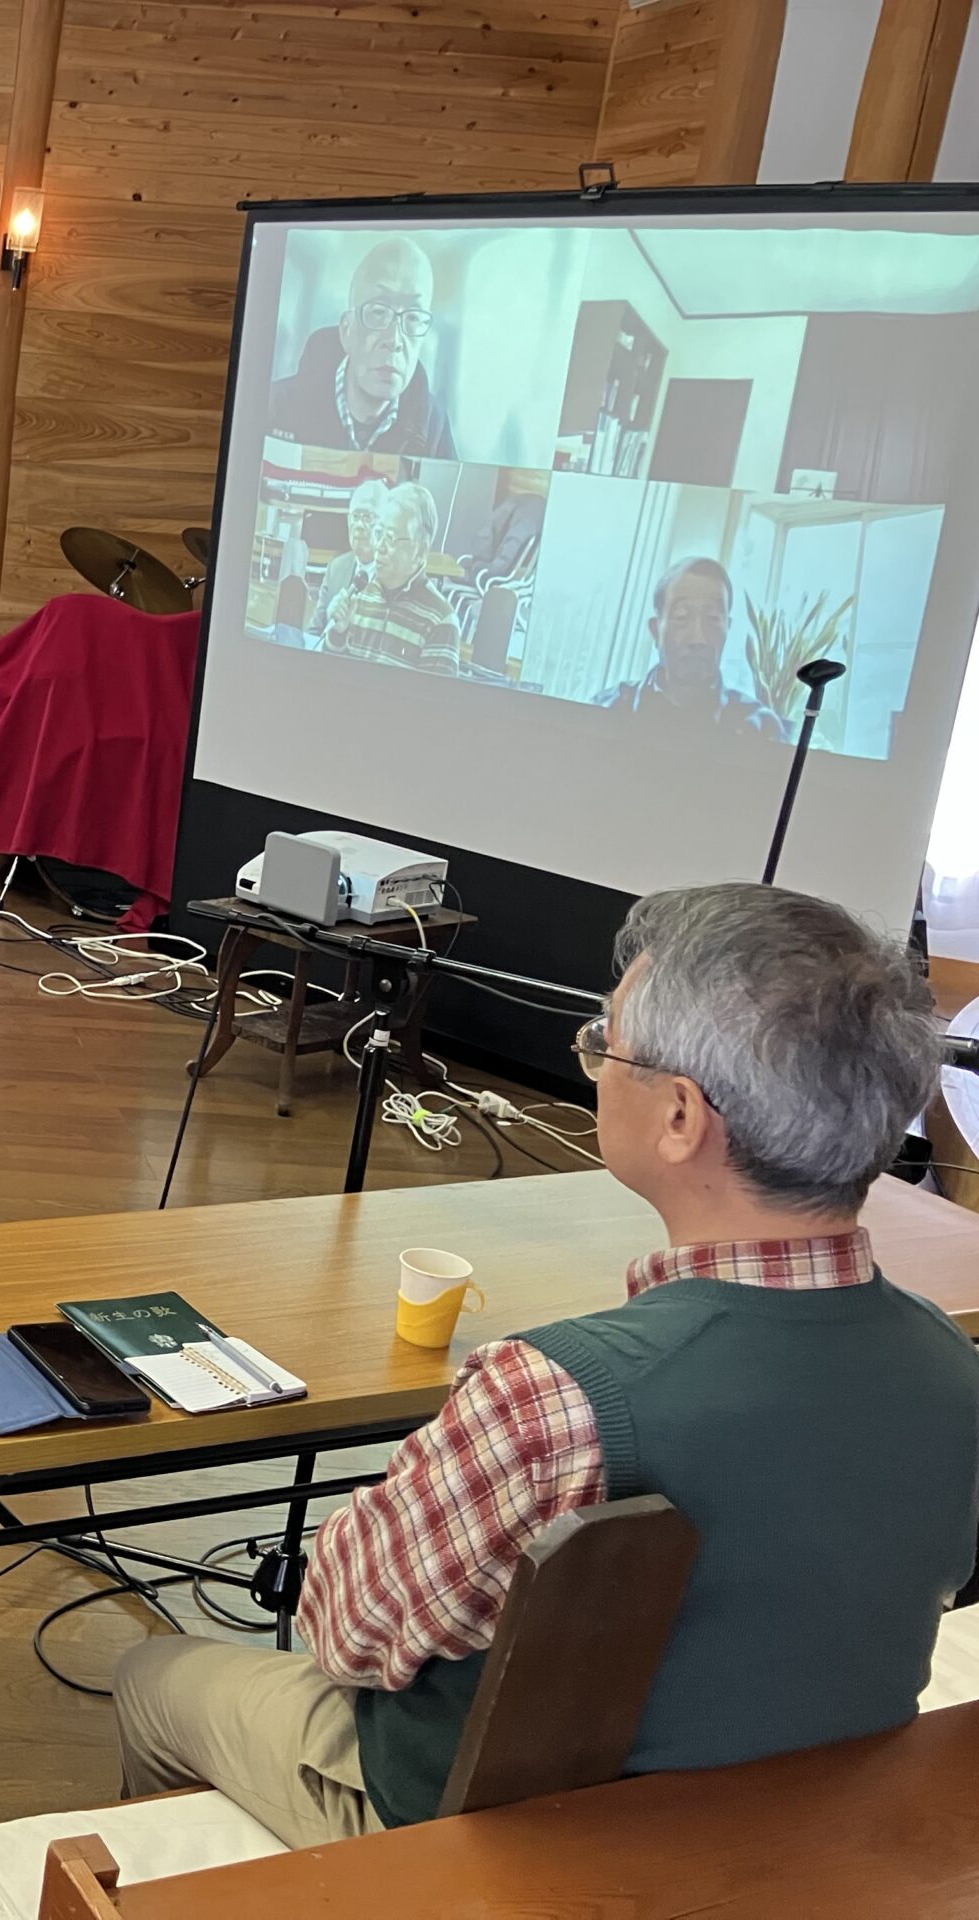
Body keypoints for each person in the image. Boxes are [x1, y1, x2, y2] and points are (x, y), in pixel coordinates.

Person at [113, 882, 978, 1848]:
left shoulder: (553, 1396)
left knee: (155, 1681)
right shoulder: (953, 1366)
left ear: (682, 1117)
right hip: (814, 1824)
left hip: (528, 1844)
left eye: (605, 1045)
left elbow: (346, 1632)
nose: (595, 1064)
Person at [268, 239, 457, 459]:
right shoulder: (277, 407)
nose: (395, 339)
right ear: (347, 330)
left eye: (413, 317)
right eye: (378, 312)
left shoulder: (434, 429)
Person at [595, 558, 789, 742]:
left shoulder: (761, 728)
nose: (699, 639)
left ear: (727, 629)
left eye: (713, 618)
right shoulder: (608, 708)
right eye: (682, 617)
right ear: (655, 630)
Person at [319, 482, 463, 674]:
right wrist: (338, 633)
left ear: (421, 549)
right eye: (378, 534)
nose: (379, 547)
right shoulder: (360, 599)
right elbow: (331, 678)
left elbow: (434, 702)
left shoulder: (440, 621)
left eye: (391, 537)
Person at [306, 479, 389, 639]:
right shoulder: (336, 568)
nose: (358, 525)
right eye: (355, 516)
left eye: (367, 517)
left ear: (385, 524)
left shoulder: (393, 578)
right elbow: (314, 633)